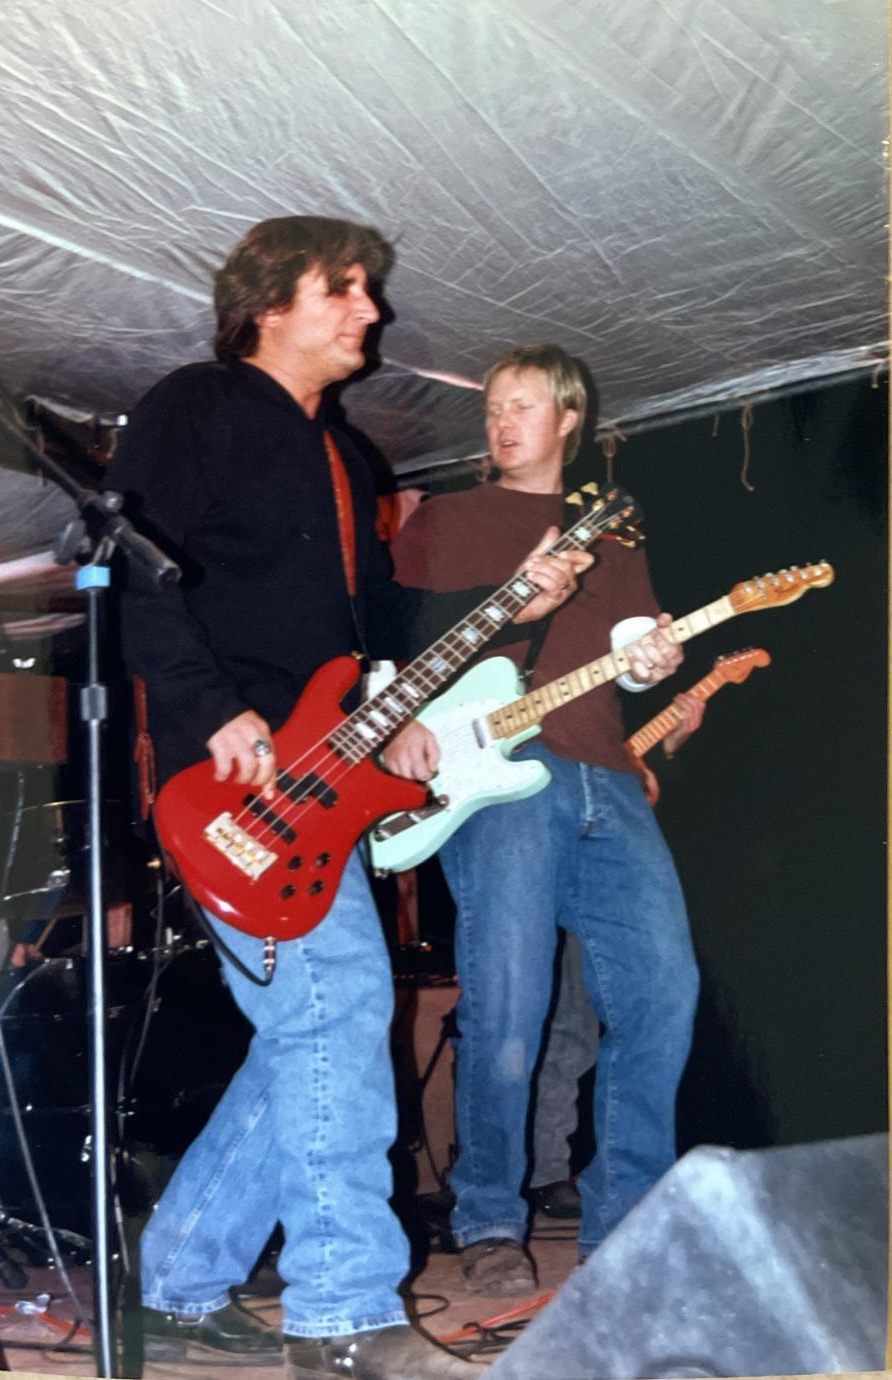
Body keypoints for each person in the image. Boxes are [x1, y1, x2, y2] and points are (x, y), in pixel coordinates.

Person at [106, 219, 585, 1378]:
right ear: (269, 302)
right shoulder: (197, 406)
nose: (370, 312)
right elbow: (132, 564)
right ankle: (342, 1311)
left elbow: (362, 643)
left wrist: (397, 710)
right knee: (333, 1012)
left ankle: (176, 1276)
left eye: (369, 292)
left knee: (312, 1033)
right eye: (345, 290)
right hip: (230, 780)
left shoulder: (353, 462)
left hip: (323, 780)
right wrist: (209, 708)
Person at [384, 343, 701, 1295]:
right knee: (508, 1002)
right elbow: (389, 645)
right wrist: (396, 719)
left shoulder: (615, 534)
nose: (501, 421)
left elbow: (629, 646)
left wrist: (653, 661)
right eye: (492, 407)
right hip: (500, 771)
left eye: (522, 404)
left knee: (663, 991)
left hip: (606, 773)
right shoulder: (446, 521)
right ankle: (487, 1215)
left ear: (570, 419)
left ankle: (629, 1220)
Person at [528, 690, 705, 1219]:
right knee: (536, 1019)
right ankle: (534, 1174)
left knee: (583, 1025)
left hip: (604, 866)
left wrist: (668, 752)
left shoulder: (625, 699)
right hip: (536, 824)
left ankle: (566, 1178)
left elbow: (644, 786)